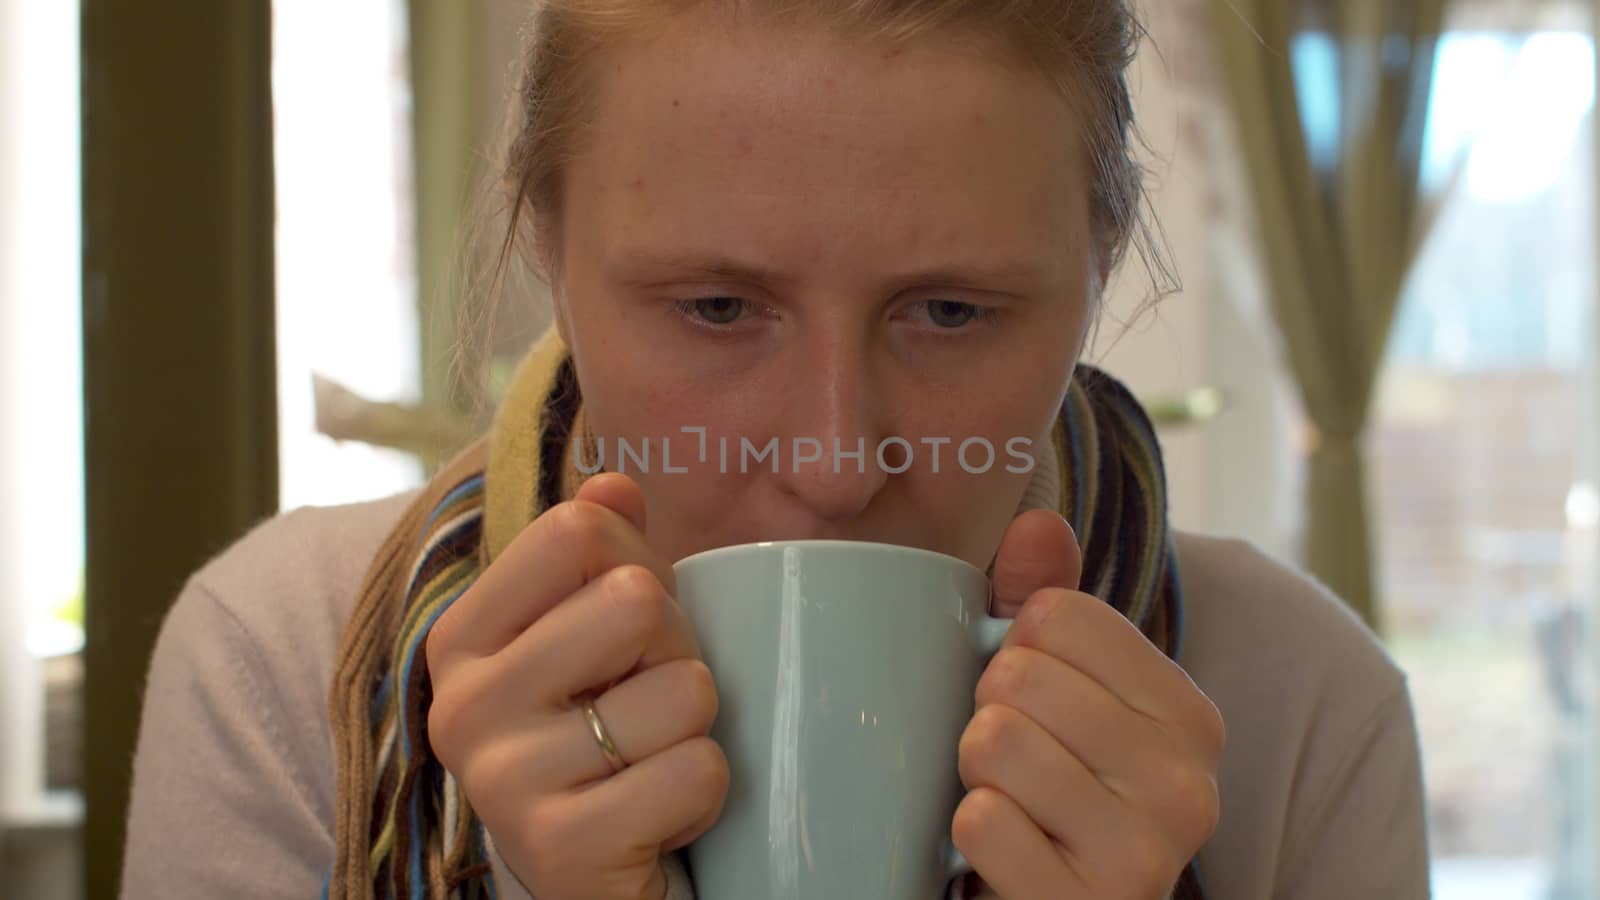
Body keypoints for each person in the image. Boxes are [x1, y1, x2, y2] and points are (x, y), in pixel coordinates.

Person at [119, 1, 1431, 898]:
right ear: (549, 258)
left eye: (952, 312)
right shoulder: (289, 671)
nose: (833, 460)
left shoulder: (1297, 709)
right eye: (716, 308)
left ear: (1095, 274)